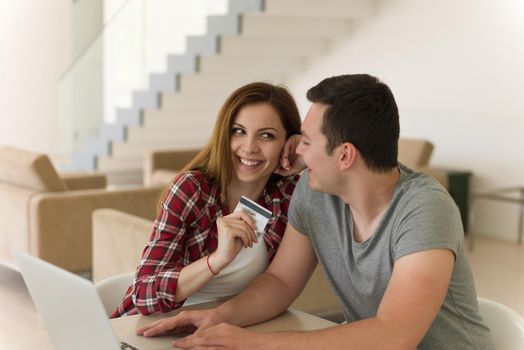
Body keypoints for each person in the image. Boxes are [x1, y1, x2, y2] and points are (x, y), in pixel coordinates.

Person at [136, 74, 495, 349]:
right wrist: (214, 319)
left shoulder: (425, 208)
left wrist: (255, 344)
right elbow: (280, 282)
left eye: (306, 141)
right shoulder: (314, 193)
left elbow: (393, 336)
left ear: (344, 156)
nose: (297, 153)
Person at [111, 82, 303, 317]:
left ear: (287, 142)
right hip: (152, 326)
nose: (249, 147)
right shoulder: (192, 190)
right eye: (238, 131)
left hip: (227, 329)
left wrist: (307, 158)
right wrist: (217, 260)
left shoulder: (286, 196)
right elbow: (142, 293)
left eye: (267, 136)